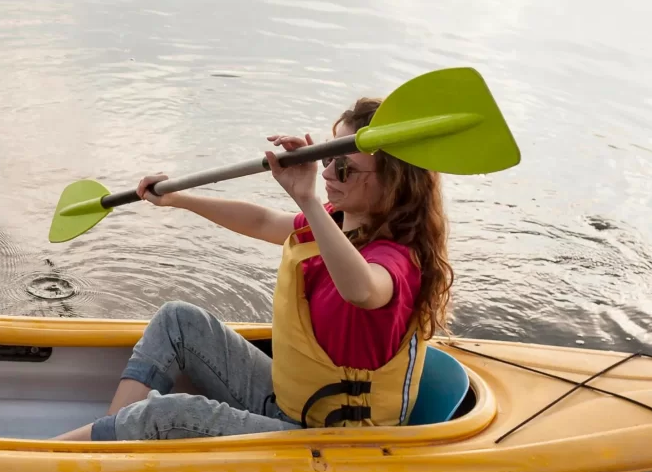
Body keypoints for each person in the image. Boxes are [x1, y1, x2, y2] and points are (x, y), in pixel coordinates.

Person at [61, 95, 453, 442]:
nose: (329, 174)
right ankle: (112, 439)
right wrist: (179, 199)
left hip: (330, 437)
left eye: (346, 168)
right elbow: (264, 222)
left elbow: (363, 290)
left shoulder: (397, 260)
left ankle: (73, 454)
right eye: (328, 159)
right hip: (291, 402)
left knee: (167, 414)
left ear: (394, 183)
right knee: (177, 320)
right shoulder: (338, 223)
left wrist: (308, 200)